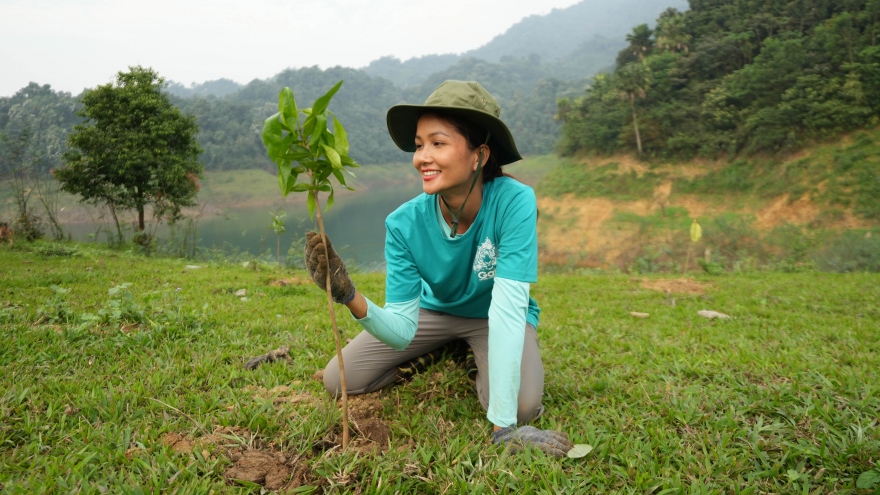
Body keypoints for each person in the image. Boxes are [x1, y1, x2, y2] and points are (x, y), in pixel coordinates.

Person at [305, 80, 573, 457]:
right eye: (418, 145)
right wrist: (349, 296)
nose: (422, 157)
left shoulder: (515, 202)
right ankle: (448, 346)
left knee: (521, 407)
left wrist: (503, 428)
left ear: (479, 155)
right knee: (339, 380)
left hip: (491, 316)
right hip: (434, 312)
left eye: (438, 143)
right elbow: (400, 329)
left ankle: (470, 353)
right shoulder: (403, 224)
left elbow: (510, 309)